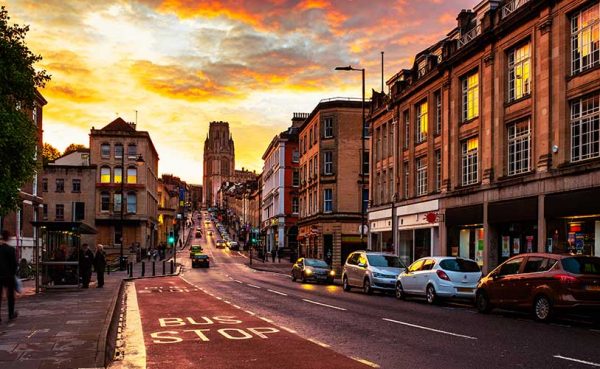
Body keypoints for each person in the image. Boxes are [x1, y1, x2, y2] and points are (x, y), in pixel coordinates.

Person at [0, 230, 18, 321]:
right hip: (8, 275)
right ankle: (10, 313)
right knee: (10, 295)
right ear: (8, 237)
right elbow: (14, 264)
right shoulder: (10, 250)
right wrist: (13, 273)